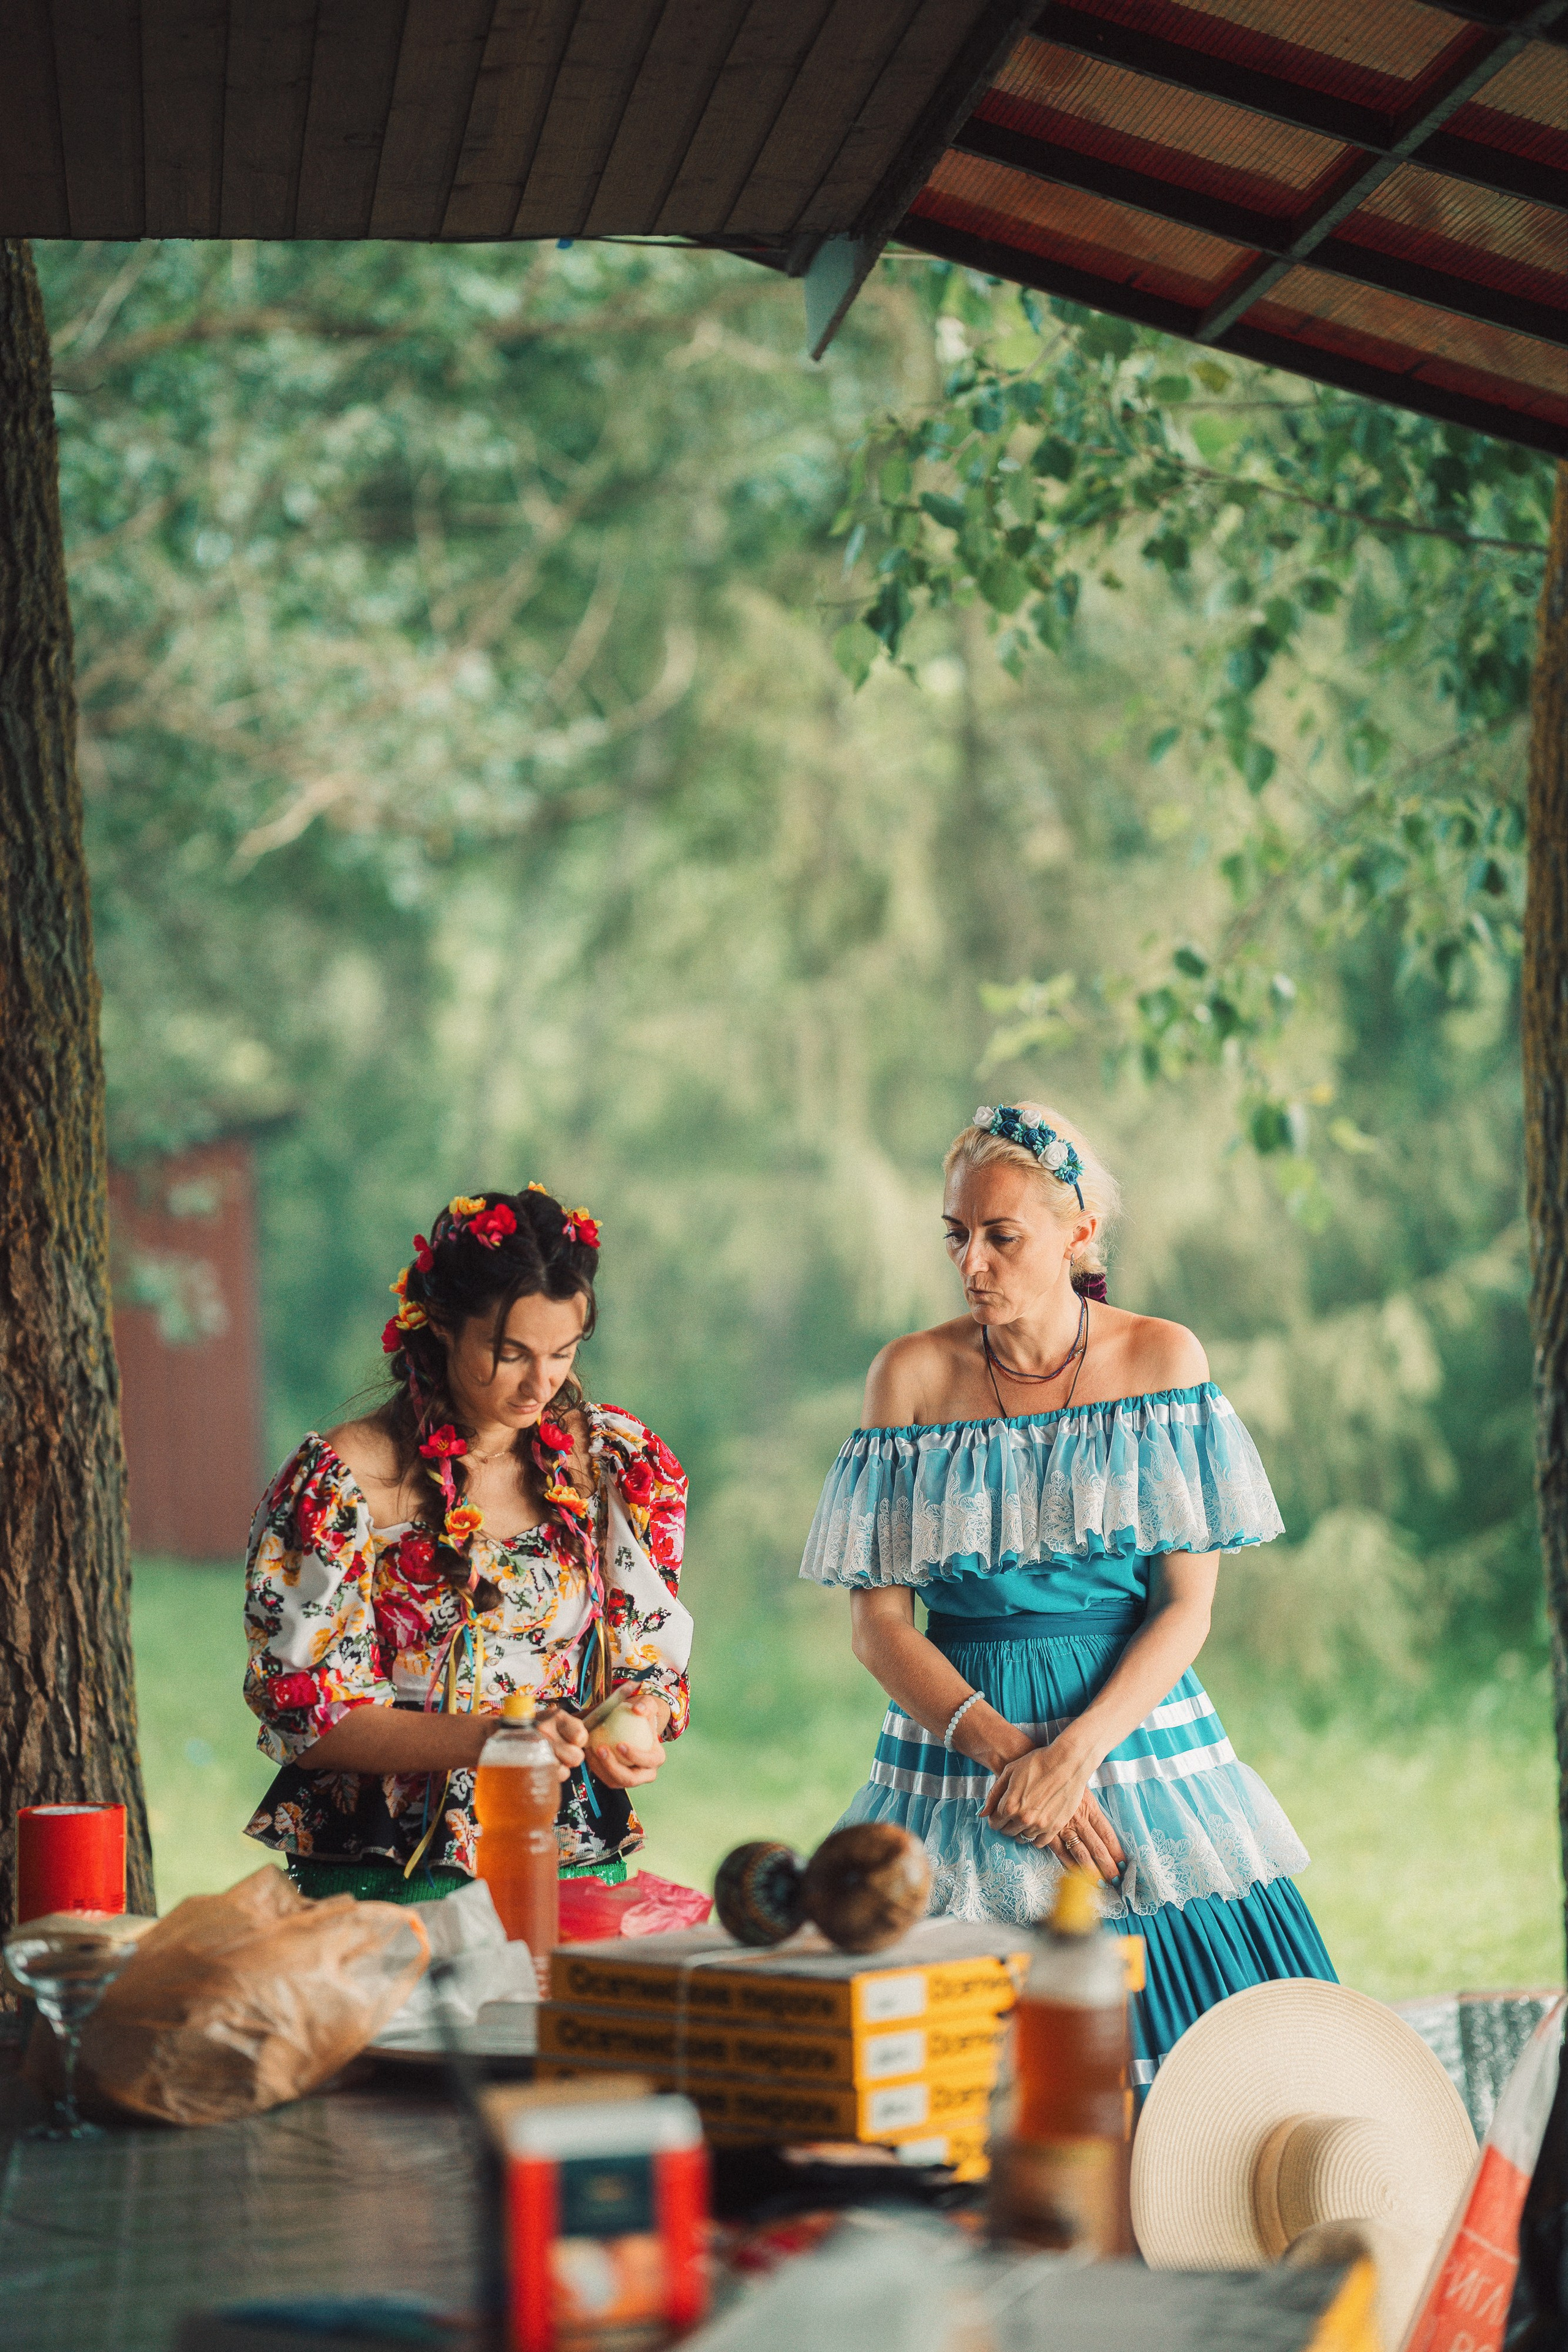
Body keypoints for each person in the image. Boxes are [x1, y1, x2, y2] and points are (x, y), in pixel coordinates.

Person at [799, 1104, 1334, 2091]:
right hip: (960, 1738)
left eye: (1004, 1237)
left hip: (1130, 1728)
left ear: (1080, 1233)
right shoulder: (910, 1374)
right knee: (948, 2075)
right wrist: (1014, 1760)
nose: (974, 1265)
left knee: (1218, 2082)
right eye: (959, 1236)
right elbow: (878, 1625)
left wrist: (1076, 1758)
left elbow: (1186, 1609)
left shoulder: (1164, 1360)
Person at [242, 1185, 691, 1902]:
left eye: (562, 1353)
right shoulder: (344, 1481)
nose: (539, 1383)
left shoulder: (609, 1461)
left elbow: (648, 1653)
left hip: (563, 1850)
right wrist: (496, 1740)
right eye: (509, 1352)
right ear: (443, 1325)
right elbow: (311, 1713)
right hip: (387, 1869)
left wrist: (638, 1716)